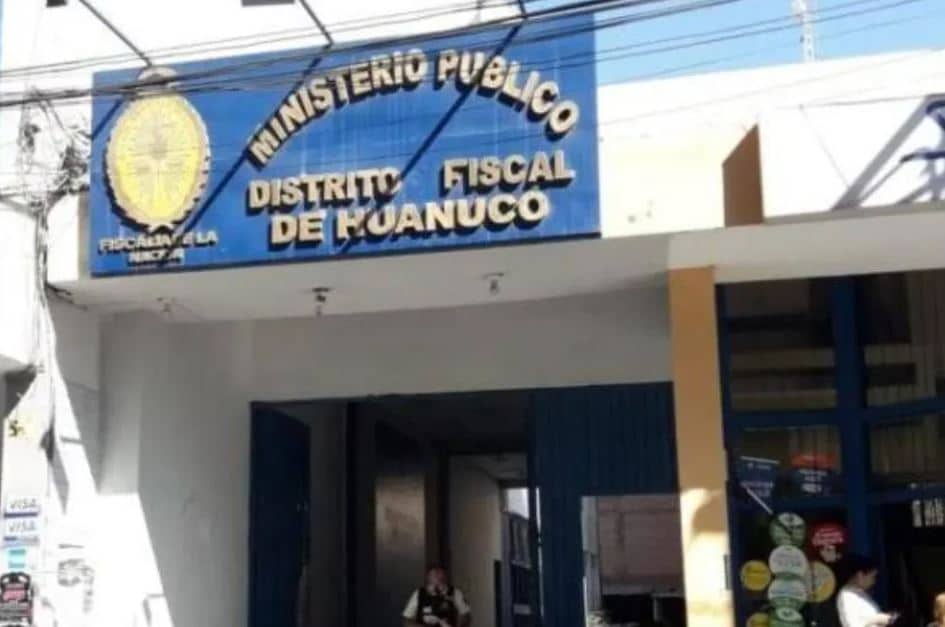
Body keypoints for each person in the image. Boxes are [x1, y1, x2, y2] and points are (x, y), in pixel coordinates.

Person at [836, 554, 897, 627]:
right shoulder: (847, 596)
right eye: (872, 576)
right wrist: (877, 619)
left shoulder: (858, 592)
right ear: (860, 575)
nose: (874, 581)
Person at [402, 565, 471, 627]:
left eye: (439, 574)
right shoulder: (418, 593)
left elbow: (465, 615)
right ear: (427, 578)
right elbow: (406, 620)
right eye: (434, 575)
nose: (437, 577)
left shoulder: (455, 593)